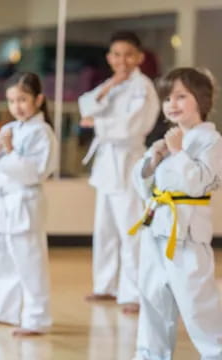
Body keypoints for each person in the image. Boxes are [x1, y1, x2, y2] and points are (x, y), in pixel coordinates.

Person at [130, 68, 222, 359]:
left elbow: (198, 183)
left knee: (198, 303)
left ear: (203, 100)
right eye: (168, 97)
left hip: (188, 236)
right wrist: (152, 159)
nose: (172, 103)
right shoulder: (169, 140)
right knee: (153, 299)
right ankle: (150, 355)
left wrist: (179, 152)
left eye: (181, 96)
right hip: (156, 228)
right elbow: (143, 186)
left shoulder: (212, 141)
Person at [78, 31, 159, 313]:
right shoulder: (113, 83)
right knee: (105, 230)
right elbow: (84, 105)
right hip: (106, 165)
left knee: (131, 230)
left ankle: (134, 293)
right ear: (109, 58)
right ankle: (106, 286)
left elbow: (129, 128)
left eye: (127, 54)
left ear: (139, 57)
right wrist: (111, 85)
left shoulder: (143, 87)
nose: (121, 60)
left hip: (127, 161)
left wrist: (97, 124)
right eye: (116, 54)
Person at [0, 72, 57, 336]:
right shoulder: (10, 128)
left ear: (38, 99)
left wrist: (9, 151)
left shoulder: (42, 132)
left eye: (22, 99)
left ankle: (37, 317)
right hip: (3, 202)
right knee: (1, 258)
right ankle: (6, 309)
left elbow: (36, 171)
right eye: (12, 101)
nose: (17, 106)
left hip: (25, 202)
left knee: (29, 261)